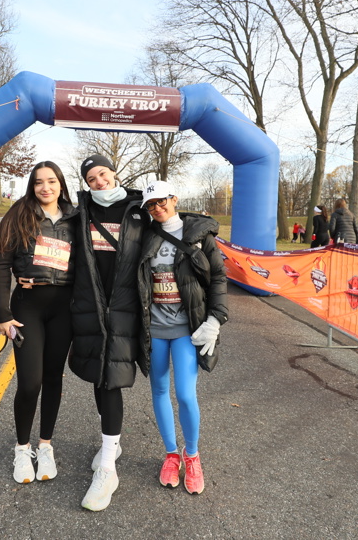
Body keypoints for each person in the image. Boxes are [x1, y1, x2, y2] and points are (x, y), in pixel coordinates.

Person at [136, 180, 227, 495]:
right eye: (151, 205)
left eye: (161, 201)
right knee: (160, 391)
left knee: (186, 395)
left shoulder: (200, 234)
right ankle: (171, 454)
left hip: (187, 329)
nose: (157, 208)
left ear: (174, 199)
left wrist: (216, 318)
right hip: (156, 329)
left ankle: (193, 455)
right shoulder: (146, 235)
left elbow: (218, 276)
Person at [0, 161, 79, 484]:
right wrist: (1, 313)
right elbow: (2, 264)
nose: (46, 187)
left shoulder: (75, 217)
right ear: (32, 186)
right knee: (30, 382)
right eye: (39, 182)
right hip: (27, 307)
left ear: (61, 184)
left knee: (53, 378)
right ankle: (22, 448)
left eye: (52, 181)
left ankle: (45, 445)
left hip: (64, 307)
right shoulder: (19, 214)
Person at [70, 154, 147, 511]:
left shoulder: (139, 209)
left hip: (125, 306)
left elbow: (168, 236)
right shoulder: (80, 212)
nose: (99, 182)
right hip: (90, 305)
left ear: (114, 172)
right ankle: (110, 446)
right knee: (98, 375)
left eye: (103, 174)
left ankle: (107, 469)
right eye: (92, 179)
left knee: (112, 379)